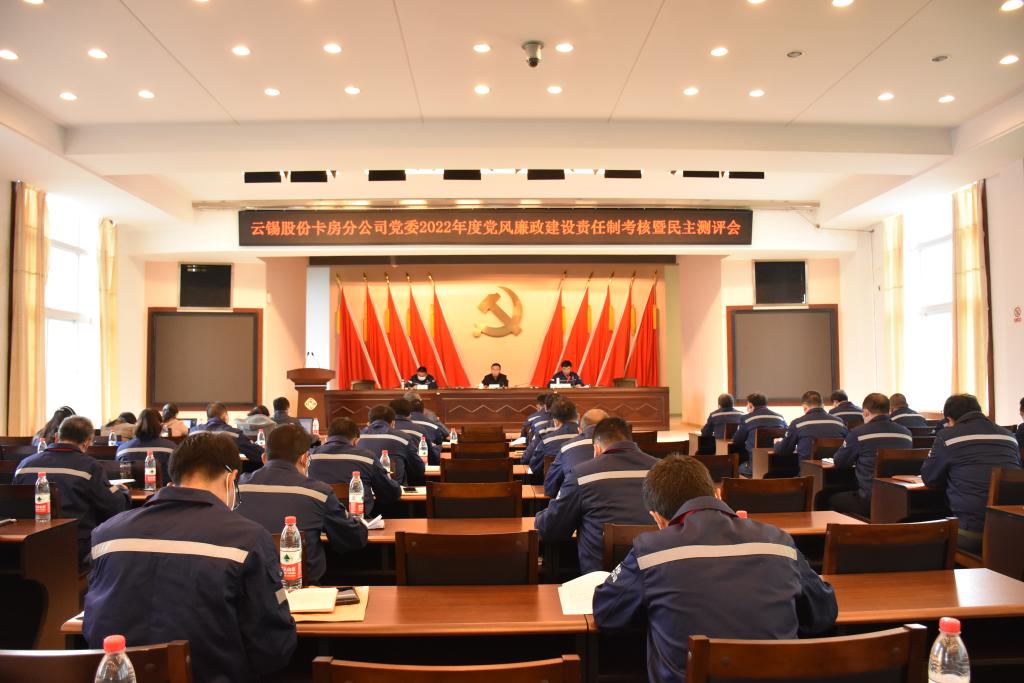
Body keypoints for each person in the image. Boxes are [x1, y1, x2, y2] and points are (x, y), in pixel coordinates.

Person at [593, 456, 838, 683]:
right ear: (718, 495)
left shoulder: (650, 550)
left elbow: (607, 614)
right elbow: (824, 612)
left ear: (657, 518)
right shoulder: (778, 540)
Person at [83, 431, 297, 683]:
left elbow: (91, 625)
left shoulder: (106, 534)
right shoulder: (248, 538)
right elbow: (273, 648)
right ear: (231, 478)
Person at [237, 424, 367, 585]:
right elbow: (354, 539)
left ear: (264, 458)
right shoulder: (319, 492)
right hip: (302, 592)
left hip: (246, 589)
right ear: (305, 458)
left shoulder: (238, 488)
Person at [535, 417, 658, 573]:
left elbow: (551, 529)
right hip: (655, 574)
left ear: (597, 448)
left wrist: (539, 517)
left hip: (600, 579)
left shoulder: (581, 475)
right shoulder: (661, 470)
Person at [15, 416, 129, 564]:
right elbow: (115, 506)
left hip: (27, 548)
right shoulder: (90, 467)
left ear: (57, 437)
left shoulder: (24, 465)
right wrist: (124, 493)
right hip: (75, 548)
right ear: (87, 442)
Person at [921, 394, 1022, 554]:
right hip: (1014, 529)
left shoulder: (947, 437)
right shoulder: (1009, 436)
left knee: (925, 535)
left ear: (949, 419)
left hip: (973, 532)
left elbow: (930, 479)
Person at [829, 393, 914, 519]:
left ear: (865, 412)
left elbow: (840, 461)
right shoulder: (906, 433)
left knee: (830, 499)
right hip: (901, 499)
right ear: (889, 411)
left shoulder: (858, 433)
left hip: (870, 500)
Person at [309, 417, 401, 516]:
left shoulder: (311, 456)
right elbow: (390, 492)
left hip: (319, 519)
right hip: (358, 519)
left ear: (327, 437)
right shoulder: (367, 458)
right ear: (356, 440)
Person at [544, 408, 607, 498]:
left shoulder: (567, 448)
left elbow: (550, 487)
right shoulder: (621, 449)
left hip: (575, 501)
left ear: (579, 431)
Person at [773, 391, 848, 464]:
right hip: (836, 469)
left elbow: (784, 450)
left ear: (805, 406)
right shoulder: (839, 422)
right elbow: (848, 444)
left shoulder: (797, 424)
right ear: (822, 405)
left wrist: (777, 443)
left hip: (809, 470)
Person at [359, 405, 425, 485]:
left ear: (369, 422)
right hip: (393, 489)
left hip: (363, 488)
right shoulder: (403, 438)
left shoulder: (358, 437)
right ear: (393, 422)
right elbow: (419, 469)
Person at [523, 397, 580, 478]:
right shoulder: (588, 439)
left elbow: (534, 466)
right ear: (578, 417)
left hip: (550, 483)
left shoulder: (547, 441)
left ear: (556, 422)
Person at [731, 393, 787, 475]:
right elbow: (787, 434)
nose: (746, 407)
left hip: (755, 466)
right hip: (779, 465)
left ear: (750, 405)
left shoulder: (746, 418)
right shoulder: (780, 417)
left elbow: (737, 440)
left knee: (738, 466)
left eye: (747, 404)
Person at [191, 402, 264, 464]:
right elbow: (259, 454)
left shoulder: (194, 432)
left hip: (197, 474)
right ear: (225, 416)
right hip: (225, 475)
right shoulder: (235, 434)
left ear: (208, 417)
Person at [117, 408, 177, 482]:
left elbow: (121, 476)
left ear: (136, 425)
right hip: (163, 488)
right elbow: (177, 474)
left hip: (130, 489)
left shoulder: (122, 449)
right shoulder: (171, 448)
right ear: (161, 425)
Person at [391, 397, 440, 466]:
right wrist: (438, 448)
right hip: (415, 469)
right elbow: (432, 456)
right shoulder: (420, 430)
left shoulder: (384, 431)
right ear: (410, 414)